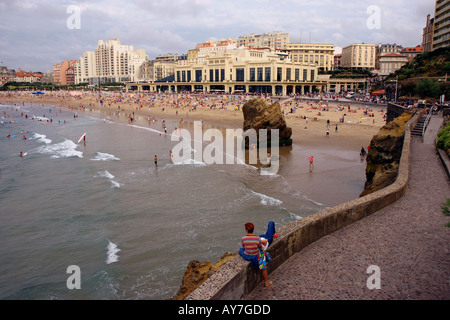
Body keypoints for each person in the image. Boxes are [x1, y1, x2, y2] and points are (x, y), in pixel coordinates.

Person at [238, 221, 277, 287]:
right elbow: (260, 248)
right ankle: (266, 281)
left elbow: (244, 246)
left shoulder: (243, 239)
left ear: (246, 230)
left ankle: (268, 235)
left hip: (249, 254)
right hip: (258, 252)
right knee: (271, 223)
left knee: (240, 250)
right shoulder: (257, 239)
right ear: (253, 229)